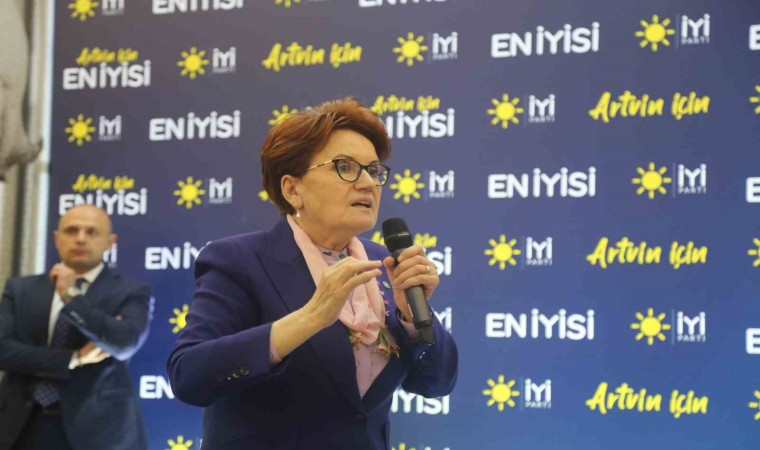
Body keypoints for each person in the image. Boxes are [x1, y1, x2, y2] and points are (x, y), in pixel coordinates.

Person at [167, 97, 458, 449]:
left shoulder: (385, 264)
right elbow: (190, 376)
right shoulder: (238, 260)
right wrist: (310, 317)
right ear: (293, 189)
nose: (368, 183)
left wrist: (412, 318)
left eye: (373, 170)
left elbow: (437, 383)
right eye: (345, 167)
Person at [0, 205, 152, 450]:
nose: (80, 238)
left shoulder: (130, 292)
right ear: (56, 238)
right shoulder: (20, 290)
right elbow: (3, 351)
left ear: (110, 242)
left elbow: (124, 343)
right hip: (21, 426)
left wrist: (70, 296)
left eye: (92, 232)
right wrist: (73, 359)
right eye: (71, 230)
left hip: (98, 431)